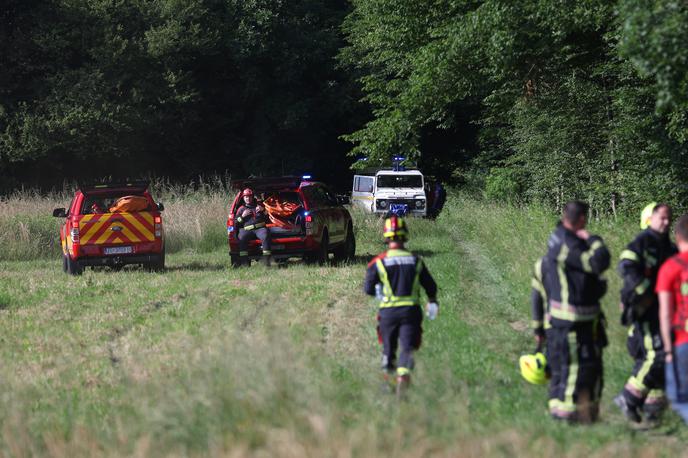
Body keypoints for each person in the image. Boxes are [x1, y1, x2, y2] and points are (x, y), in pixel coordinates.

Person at [530, 200, 610, 422]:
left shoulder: (547, 257)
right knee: (574, 370)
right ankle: (564, 418)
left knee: (561, 371)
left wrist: (537, 328)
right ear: (582, 219)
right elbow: (600, 262)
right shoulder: (569, 249)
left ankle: (568, 413)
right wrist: (593, 239)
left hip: (559, 324)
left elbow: (536, 296)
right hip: (573, 323)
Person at [614, 203, 676, 425]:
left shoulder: (670, 248)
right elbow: (626, 266)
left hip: (664, 311)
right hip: (645, 311)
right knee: (657, 354)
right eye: (662, 218)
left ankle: (653, 410)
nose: (666, 222)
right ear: (650, 219)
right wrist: (644, 292)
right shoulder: (642, 242)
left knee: (663, 359)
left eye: (669, 218)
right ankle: (628, 398)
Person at [363, 215, 438, 397]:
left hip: (388, 313)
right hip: (410, 312)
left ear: (387, 237)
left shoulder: (378, 262)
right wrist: (432, 300)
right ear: (405, 236)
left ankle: (386, 383)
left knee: (388, 349)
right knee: (407, 347)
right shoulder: (416, 261)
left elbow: (368, 289)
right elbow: (431, 286)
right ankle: (403, 377)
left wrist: (378, 291)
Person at [657, 213, 688, 424]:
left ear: (677, 236)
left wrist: (667, 350)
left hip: (681, 340)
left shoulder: (670, 267)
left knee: (679, 398)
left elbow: (666, 313)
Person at [235, 188, 272, 266]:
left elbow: (268, 218)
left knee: (265, 235)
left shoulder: (260, 206)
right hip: (247, 230)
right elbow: (236, 222)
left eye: (249, 197)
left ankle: (267, 262)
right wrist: (242, 216)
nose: (248, 198)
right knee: (241, 238)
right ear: (243, 198)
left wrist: (263, 210)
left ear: (252, 197)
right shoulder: (241, 209)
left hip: (260, 229)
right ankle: (245, 264)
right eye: (246, 197)